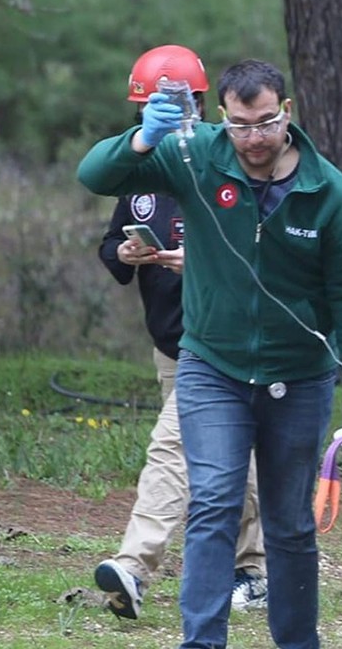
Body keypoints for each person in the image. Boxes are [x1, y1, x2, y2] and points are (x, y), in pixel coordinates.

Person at [78, 58, 342, 649]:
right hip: (212, 365)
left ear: (287, 113)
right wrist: (144, 135)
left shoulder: (326, 190)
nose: (255, 138)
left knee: (290, 523)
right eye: (243, 125)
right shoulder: (194, 157)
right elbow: (95, 174)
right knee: (215, 502)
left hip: (299, 377)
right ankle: (202, 641)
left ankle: (298, 641)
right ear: (223, 117)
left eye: (267, 123)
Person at [92, 44, 268, 622]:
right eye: (149, 110)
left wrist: (207, 261)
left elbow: (270, 254)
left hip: (224, 339)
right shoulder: (139, 177)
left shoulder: (228, 163)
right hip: (170, 343)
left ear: (199, 108)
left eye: (175, 109)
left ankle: (135, 565)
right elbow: (113, 248)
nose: (163, 120)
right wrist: (123, 251)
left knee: (175, 452)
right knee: (223, 454)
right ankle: (254, 569)